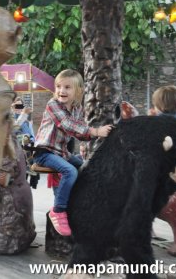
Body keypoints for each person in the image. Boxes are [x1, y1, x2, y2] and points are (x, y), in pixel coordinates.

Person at [33, 69, 112, 237]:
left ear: (78, 91)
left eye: (67, 87)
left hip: (61, 152)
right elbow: (68, 125)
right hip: (45, 151)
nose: (61, 91)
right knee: (70, 171)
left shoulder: (77, 108)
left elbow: (80, 131)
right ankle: (58, 210)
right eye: (59, 86)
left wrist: (85, 144)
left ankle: (78, 202)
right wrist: (96, 131)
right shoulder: (53, 105)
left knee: (85, 167)